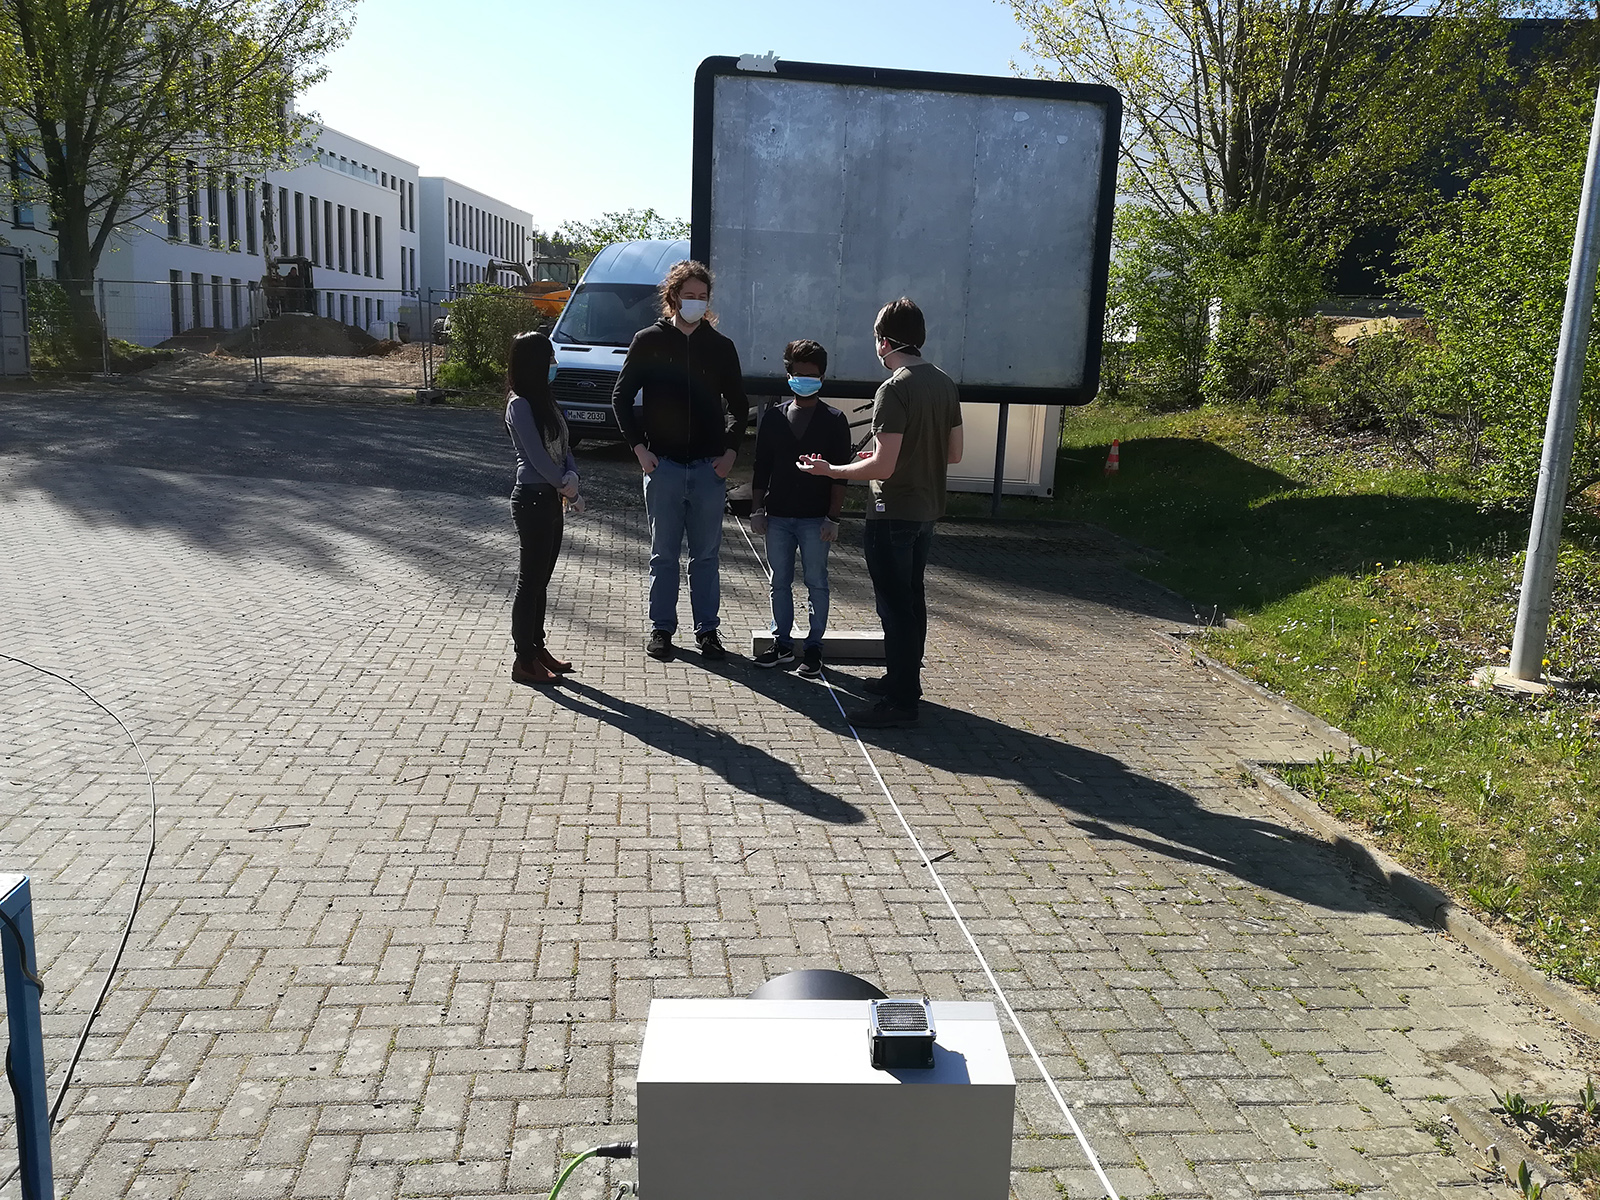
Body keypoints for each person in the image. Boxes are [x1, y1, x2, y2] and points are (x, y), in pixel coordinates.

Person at [798, 298, 962, 727]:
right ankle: (901, 679)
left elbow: (883, 466)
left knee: (894, 608)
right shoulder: (944, 383)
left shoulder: (894, 387)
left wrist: (830, 469)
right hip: (926, 509)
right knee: (913, 600)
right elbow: (955, 453)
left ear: (884, 341)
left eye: (876, 338)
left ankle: (902, 702)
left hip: (892, 513)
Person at [611, 260, 749, 662]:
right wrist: (639, 449)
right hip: (664, 467)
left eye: (702, 297)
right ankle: (661, 629)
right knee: (663, 555)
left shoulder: (720, 347)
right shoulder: (648, 340)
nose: (695, 303)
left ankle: (708, 632)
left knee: (705, 556)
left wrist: (730, 453)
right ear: (672, 297)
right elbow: (620, 397)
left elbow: (740, 406)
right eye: (688, 296)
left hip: (709, 470)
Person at [750, 340, 852, 679]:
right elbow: (760, 467)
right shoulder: (773, 419)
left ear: (822, 377)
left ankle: (813, 647)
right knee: (779, 581)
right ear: (788, 374)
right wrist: (756, 510)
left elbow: (840, 475)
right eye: (798, 373)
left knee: (816, 581)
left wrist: (833, 518)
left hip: (815, 518)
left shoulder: (835, 420)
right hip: (777, 515)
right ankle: (782, 642)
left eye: (812, 375)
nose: (804, 379)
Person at [505, 331, 583, 685]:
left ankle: (538, 648)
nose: (554, 364)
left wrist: (573, 476)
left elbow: (565, 444)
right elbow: (535, 456)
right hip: (533, 499)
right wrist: (565, 484)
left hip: (551, 498)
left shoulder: (545, 400)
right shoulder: (518, 404)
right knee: (530, 582)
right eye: (549, 358)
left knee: (542, 582)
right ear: (533, 363)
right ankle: (523, 660)